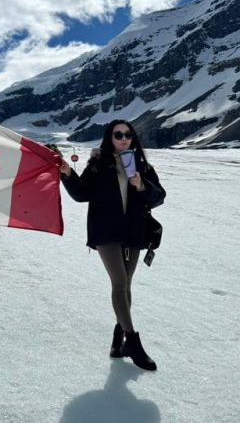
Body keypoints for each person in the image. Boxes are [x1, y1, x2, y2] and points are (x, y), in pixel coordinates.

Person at [60, 119, 166, 371]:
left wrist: (142, 185)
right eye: (118, 134)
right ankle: (132, 341)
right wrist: (67, 174)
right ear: (110, 137)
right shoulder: (99, 163)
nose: (124, 138)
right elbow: (82, 194)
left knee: (126, 285)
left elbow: (159, 196)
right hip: (106, 231)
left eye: (128, 134)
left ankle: (118, 340)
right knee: (119, 283)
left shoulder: (141, 164)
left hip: (135, 230)